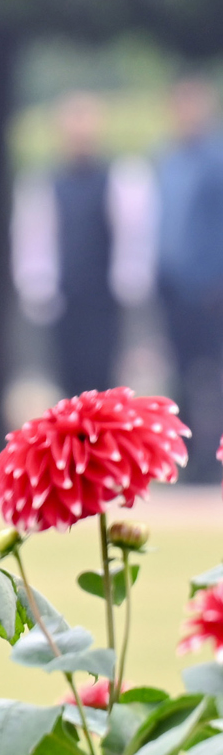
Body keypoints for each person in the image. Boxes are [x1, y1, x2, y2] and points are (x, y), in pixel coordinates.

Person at [10, 93, 154, 398]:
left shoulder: (119, 179)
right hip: (65, 298)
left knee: (104, 381)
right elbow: (33, 241)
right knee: (68, 381)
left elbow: (133, 238)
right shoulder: (45, 183)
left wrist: (131, 282)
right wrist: (37, 286)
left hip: (105, 299)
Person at [153, 79, 223, 482]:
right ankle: (189, 455)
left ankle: (213, 455)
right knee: (181, 369)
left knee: (211, 372)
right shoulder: (167, 159)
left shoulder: (216, 160)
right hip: (172, 285)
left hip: (210, 285)